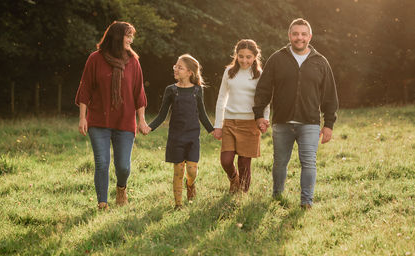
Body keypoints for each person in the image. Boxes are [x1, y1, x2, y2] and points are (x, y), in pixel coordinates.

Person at [253, 18, 338, 209]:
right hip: (282, 122)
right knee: (280, 162)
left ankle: (306, 202)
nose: (299, 38)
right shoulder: (277, 59)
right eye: (295, 34)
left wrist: (329, 124)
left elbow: (330, 96)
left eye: (303, 34)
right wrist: (259, 114)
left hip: (310, 122)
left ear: (310, 36)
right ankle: (277, 197)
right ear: (289, 36)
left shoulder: (320, 62)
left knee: (308, 162)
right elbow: (263, 89)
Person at [75, 21, 149, 210]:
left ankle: (121, 188)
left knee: (123, 166)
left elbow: (139, 92)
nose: (131, 39)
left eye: (132, 36)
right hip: (99, 119)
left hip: (124, 120)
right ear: (117, 37)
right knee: (102, 162)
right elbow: (85, 88)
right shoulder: (95, 59)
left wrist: (141, 120)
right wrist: (83, 117)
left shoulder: (133, 61)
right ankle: (102, 203)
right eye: (128, 35)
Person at [148, 54, 214, 209]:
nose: (175, 69)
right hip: (176, 137)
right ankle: (178, 204)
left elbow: (203, 114)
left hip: (192, 136)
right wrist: (149, 127)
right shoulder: (171, 90)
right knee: (178, 170)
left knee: (192, 170)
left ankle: (190, 184)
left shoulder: (197, 90)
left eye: (180, 67)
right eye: (175, 66)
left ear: (190, 72)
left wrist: (213, 131)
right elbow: (162, 114)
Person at [213, 39, 270, 193]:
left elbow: (265, 100)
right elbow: (221, 98)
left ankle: (242, 194)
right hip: (230, 122)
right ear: (236, 55)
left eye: (248, 57)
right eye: (241, 56)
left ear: (255, 57)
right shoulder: (229, 72)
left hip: (250, 123)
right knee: (226, 160)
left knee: (244, 163)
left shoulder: (259, 75)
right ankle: (234, 179)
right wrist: (218, 125)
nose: (244, 60)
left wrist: (264, 118)